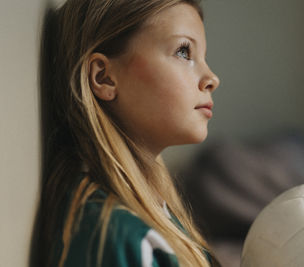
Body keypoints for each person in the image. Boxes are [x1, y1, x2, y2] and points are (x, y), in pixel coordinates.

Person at [36, 0, 220, 266]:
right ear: (104, 78)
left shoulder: (154, 211)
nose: (212, 78)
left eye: (203, 57)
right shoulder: (115, 235)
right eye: (183, 52)